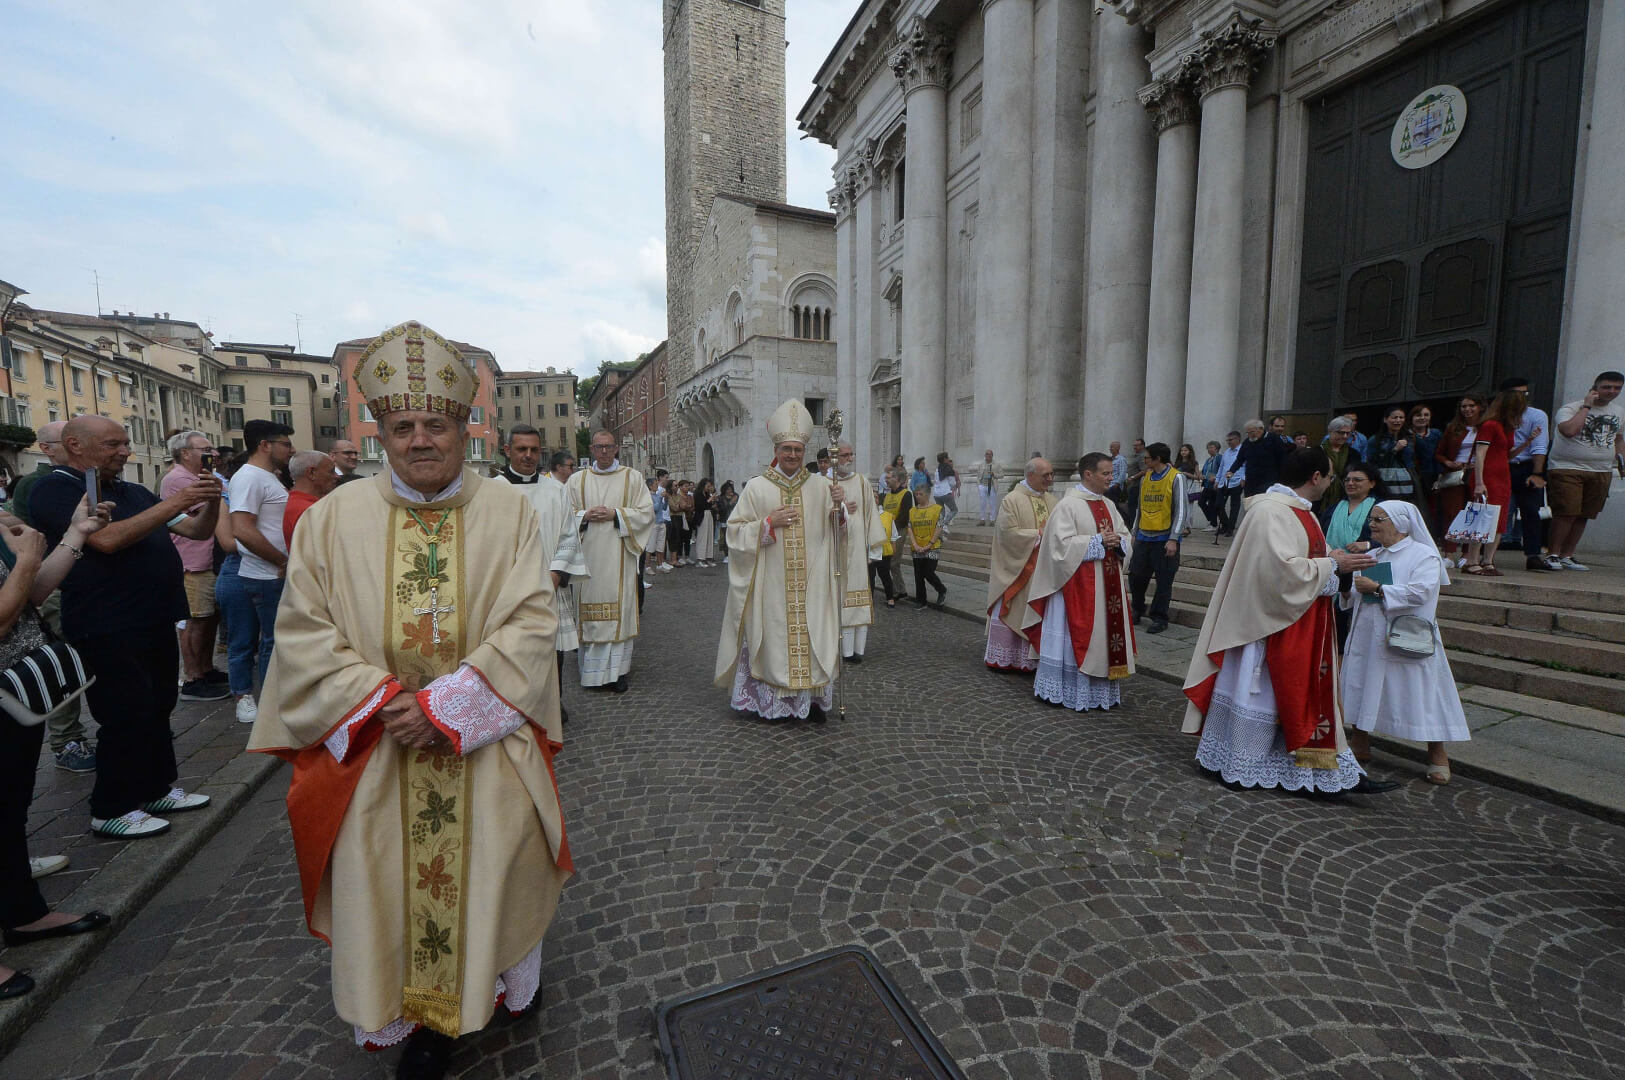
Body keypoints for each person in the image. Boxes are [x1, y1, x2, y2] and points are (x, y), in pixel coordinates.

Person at [248, 321, 571, 1080]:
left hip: (483, 745)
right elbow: (302, 633)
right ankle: (421, 1020)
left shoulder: (509, 513)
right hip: (379, 748)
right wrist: (386, 700)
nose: (420, 440)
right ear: (383, 436)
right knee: (388, 884)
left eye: (436, 425)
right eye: (403, 427)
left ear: (464, 430)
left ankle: (501, 986)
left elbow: (532, 621)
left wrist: (446, 707)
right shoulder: (331, 520)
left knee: (500, 867)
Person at [31, 415, 224, 837]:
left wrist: (210, 500)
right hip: (106, 621)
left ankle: (156, 788)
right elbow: (106, 539)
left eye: (125, 443)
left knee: (158, 706)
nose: (124, 452)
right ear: (76, 445)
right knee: (124, 713)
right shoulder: (55, 489)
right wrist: (177, 500)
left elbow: (194, 530)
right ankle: (111, 807)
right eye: (113, 445)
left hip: (153, 615)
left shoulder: (133, 491)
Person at [1180, 445, 1397, 795]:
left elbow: (1301, 559)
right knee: (1264, 695)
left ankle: (1323, 772)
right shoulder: (1270, 511)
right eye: (1330, 477)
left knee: (1294, 697)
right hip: (1264, 627)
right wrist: (1334, 565)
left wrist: (1330, 559)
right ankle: (1242, 763)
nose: (1331, 483)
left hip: (1298, 621)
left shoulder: (1300, 511)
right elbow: (1278, 572)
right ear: (1315, 477)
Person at [0, 491, 116, 998]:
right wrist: (27, 558)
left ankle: (23, 914)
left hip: (13, 693)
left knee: (9, 811)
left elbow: (27, 595)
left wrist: (75, 534)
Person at [716, 400, 847, 721]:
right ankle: (773, 705)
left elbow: (839, 532)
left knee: (814, 639)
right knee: (775, 644)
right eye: (786, 449)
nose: (792, 455)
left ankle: (812, 702)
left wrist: (840, 510)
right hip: (771, 585)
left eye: (797, 450)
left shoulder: (822, 486)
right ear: (776, 449)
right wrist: (767, 524)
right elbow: (733, 534)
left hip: (813, 584)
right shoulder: (756, 488)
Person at [1340, 500, 1469, 785]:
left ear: (1400, 523)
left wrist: (1379, 588)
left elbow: (1421, 592)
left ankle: (1437, 754)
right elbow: (1354, 596)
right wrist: (1347, 587)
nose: (1372, 524)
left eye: (1379, 519)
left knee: (1422, 692)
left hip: (1406, 636)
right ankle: (1360, 740)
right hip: (1368, 634)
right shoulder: (1372, 555)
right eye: (1371, 519)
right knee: (1363, 682)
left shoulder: (1424, 555)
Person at [8, 421, 96, 771]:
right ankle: (67, 740)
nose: (80, 447)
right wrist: (29, 563)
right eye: (70, 441)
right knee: (54, 665)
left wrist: (78, 531)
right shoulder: (39, 483)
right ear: (46, 448)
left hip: (62, 583)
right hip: (47, 586)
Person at [1021, 452, 1135, 711]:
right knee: (1074, 639)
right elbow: (1058, 547)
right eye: (1106, 473)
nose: (1111, 477)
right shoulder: (1068, 505)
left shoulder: (1109, 505)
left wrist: (1120, 542)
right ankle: (1066, 689)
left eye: (1111, 473)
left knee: (1103, 639)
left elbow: (1125, 535)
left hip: (1107, 588)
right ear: (1088, 474)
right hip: (1074, 588)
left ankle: (1098, 691)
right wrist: (1097, 541)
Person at [565, 430, 653, 691]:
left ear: (616, 449)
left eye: (608, 446)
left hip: (619, 557)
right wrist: (583, 516)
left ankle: (617, 674)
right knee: (590, 618)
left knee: (619, 615)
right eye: (599, 447)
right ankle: (591, 675)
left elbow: (646, 514)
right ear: (592, 449)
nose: (604, 451)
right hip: (588, 561)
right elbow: (563, 515)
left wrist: (616, 514)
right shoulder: (577, 480)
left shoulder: (632, 478)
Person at [159, 431, 232, 703]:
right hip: (193, 560)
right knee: (196, 620)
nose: (213, 453)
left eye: (212, 449)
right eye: (205, 449)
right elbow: (218, 508)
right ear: (185, 453)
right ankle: (193, 678)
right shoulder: (178, 479)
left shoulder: (203, 477)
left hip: (207, 557)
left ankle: (206, 668)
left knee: (209, 618)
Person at [229, 419, 296, 709]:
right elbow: (242, 529)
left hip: (273, 573)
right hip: (268, 575)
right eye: (286, 444)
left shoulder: (265, 476)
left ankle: (277, 703)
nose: (292, 450)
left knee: (277, 640)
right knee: (274, 641)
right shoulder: (250, 477)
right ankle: (273, 707)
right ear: (265, 445)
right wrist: (282, 560)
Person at [1545, 371, 1625, 571]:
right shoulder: (1571, 408)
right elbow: (1569, 430)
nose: (1612, 391)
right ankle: (1552, 554)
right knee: (1566, 512)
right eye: (1607, 387)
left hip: (1601, 470)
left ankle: (1567, 555)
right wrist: (1587, 407)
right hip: (1568, 468)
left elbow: (1618, 438)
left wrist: (1621, 459)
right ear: (1595, 388)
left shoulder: (1619, 411)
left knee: (1584, 514)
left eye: (1617, 388)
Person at [984, 457, 1058, 672]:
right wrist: (1038, 535)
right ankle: (1007, 658)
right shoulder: (1012, 500)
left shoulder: (1053, 501)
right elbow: (1007, 534)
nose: (1050, 479)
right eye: (1045, 475)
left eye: (1051, 474)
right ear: (1030, 475)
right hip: (1016, 570)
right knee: (1015, 609)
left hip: (1043, 571)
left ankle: (1031, 659)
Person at [829, 444, 885, 664]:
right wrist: (841, 507)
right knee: (838, 599)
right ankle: (839, 649)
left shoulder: (862, 481)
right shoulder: (825, 483)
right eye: (844, 455)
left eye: (850, 454)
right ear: (834, 458)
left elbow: (871, 513)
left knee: (859, 598)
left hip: (859, 552)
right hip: (834, 550)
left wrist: (873, 548)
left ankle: (857, 649)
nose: (849, 458)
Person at [1127, 442, 1188, 635]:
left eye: (1147, 457)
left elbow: (1181, 510)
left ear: (1157, 459)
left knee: (1164, 581)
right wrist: (1134, 532)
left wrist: (1174, 538)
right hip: (1144, 536)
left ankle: (1159, 617)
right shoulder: (1146, 478)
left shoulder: (1176, 477)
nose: (1144, 460)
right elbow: (1140, 507)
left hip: (1164, 538)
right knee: (1136, 576)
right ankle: (1137, 609)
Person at [1322, 462, 1383, 648]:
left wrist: (1368, 544)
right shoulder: (1333, 508)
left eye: (1357, 480)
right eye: (1347, 479)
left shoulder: (1381, 508)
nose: (1350, 483)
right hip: (1334, 569)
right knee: (1335, 624)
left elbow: (1394, 538)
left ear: (1372, 483)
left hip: (1366, 569)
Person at [1495, 377, 1551, 571]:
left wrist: (1537, 472)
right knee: (1497, 510)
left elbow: (1540, 445)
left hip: (1526, 466)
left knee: (1531, 511)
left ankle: (1533, 554)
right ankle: (1485, 554)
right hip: (1501, 465)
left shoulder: (1536, 415)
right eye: (1517, 393)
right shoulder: (1496, 416)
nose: (1522, 397)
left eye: (1525, 393)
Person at [1464, 391, 1517, 577]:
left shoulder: (1507, 427)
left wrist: (1528, 442)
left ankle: (1488, 560)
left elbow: (1507, 454)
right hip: (1488, 476)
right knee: (1482, 517)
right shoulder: (1490, 425)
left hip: (1503, 477)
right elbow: (1480, 454)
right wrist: (1479, 482)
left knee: (1500, 519)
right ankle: (1472, 560)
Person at [1433, 394, 1484, 565]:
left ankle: (1467, 554)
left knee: (1473, 513)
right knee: (1451, 513)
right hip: (1455, 474)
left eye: (1471, 405)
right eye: (1464, 406)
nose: (1467, 409)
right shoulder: (1453, 427)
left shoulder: (1486, 427)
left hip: (1476, 474)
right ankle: (1448, 554)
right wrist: (1449, 462)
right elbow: (1439, 453)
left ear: (1480, 407)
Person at [1368, 406, 1423, 508]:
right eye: (1394, 417)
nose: (1398, 420)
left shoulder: (1410, 438)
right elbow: (1372, 462)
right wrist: (1394, 449)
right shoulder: (1375, 440)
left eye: (1401, 417)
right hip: (1385, 481)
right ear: (1385, 419)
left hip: (1408, 482)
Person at [283, 450, 338, 546]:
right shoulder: (307, 510)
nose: (337, 476)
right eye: (331, 471)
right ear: (312, 473)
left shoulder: (300, 504)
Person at [906, 481, 948, 609]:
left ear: (928, 495)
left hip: (932, 547)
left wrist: (929, 544)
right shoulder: (912, 510)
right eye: (916, 494)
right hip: (917, 546)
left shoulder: (937, 509)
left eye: (921, 494)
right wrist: (915, 544)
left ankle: (941, 589)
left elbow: (939, 527)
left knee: (928, 572)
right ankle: (921, 600)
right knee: (918, 575)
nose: (918, 496)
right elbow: (910, 528)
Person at [879, 469, 913, 608]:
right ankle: (897, 590)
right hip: (886, 532)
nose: (886, 480)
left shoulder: (906, 494)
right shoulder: (886, 495)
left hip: (898, 531)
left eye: (889, 477)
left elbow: (904, 516)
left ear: (897, 479)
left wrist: (891, 528)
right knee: (887, 562)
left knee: (893, 562)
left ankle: (899, 590)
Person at [1233, 419, 1290, 498]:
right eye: (1247, 433)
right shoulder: (1247, 442)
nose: (1249, 435)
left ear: (1261, 429)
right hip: (1251, 481)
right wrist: (1231, 471)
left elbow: (1283, 459)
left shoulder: (1273, 439)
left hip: (1269, 481)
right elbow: (1240, 459)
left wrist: (1282, 479)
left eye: (1252, 432)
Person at [1404, 404, 1441, 522]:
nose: (1422, 418)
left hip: (1434, 477)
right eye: (1418, 415)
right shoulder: (1405, 435)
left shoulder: (1436, 434)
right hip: (1414, 476)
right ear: (1411, 418)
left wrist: (1440, 475)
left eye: (1426, 415)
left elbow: (1440, 454)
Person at [1318, 417, 1361, 513]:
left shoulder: (1354, 454)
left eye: (1348, 433)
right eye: (1341, 432)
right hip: (1320, 498)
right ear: (1330, 431)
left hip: (1345, 498)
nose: (1345, 436)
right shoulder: (1318, 452)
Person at [1216, 431, 1244, 536]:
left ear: (1237, 439)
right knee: (1218, 504)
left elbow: (1246, 465)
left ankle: (1230, 528)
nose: (1228, 442)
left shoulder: (1243, 450)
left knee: (1234, 506)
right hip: (1224, 481)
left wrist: (1244, 478)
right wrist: (1217, 480)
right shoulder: (1227, 452)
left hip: (1237, 481)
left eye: (1231, 440)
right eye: (1227, 440)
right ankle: (1225, 524)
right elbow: (1221, 467)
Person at [691, 478, 718, 567]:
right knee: (702, 537)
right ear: (703, 485)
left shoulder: (706, 494)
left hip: (708, 514)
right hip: (702, 516)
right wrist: (710, 499)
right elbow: (700, 506)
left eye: (710, 486)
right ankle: (700, 558)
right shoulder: (698, 494)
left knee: (709, 536)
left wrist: (713, 502)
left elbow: (708, 505)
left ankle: (708, 557)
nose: (709, 488)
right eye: (708, 486)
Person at [1198, 441, 1225, 531]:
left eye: (1211, 447)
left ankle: (1214, 523)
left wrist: (1216, 477)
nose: (1209, 449)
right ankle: (1213, 522)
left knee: (1211, 504)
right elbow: (1204, 471)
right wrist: (1202, 475)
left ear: (1217, 448)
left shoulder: (1219, 457)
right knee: (1203, 502)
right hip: (1207, 484)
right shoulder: (1208, 460)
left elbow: (1223, 469)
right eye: (1208, 448)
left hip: (1214, 485)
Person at [933, 451, 959, 525]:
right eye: (947, 458)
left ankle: (940, 525)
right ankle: (943, 524)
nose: (948, 459)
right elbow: (952, 483)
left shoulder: (937, 469)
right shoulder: (948, 469)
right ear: (944, 459)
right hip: (945, 492)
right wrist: (954, 486)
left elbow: (935, 480)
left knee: (941, 512)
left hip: (936, 494)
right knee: (954, 510)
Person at [975, 449, 999, 525]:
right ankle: (982, 520)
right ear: (985, 455)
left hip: (992, 486)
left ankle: (992, 520)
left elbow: (1002, 475)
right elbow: (978, 475)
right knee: (983, 503)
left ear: (992, 455)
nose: (988, 455)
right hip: (982, 485)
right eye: (987, 454)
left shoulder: (996, 465)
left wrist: (994, 474)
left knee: (992, 503)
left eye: (990, 454)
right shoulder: (981, 465)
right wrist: (979, 485)